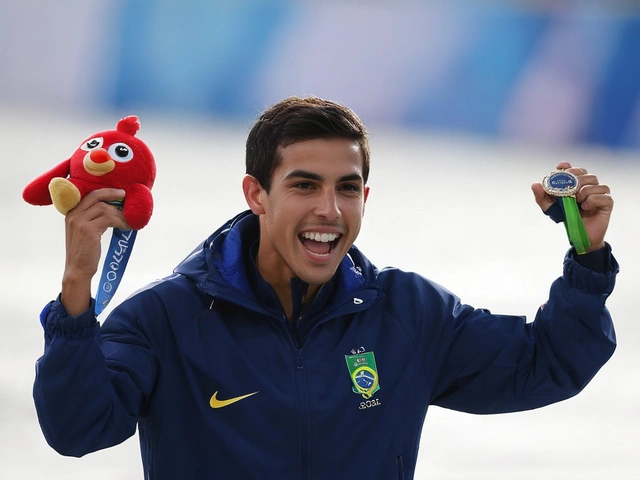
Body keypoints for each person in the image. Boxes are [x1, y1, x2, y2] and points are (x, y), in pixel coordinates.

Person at [33, 96, 618, 480]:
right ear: (256, 194)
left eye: (348, 188)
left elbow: (545, 364)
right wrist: (77, 292)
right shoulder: (165, 319)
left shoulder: (408, 314)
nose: (329, 210)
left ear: (366, 196)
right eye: (305, 185)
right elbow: (78, 428)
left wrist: (586, 257)